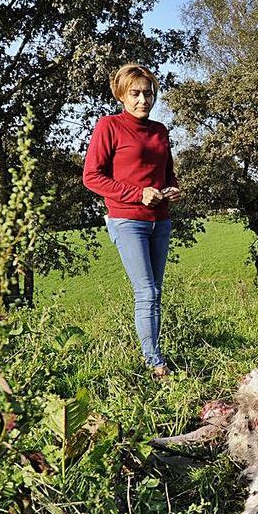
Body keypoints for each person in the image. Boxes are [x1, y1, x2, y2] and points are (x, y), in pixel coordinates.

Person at [83, 63, 182, 379]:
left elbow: (167, 174)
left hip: (160, 221)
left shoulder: (160, 131)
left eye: (148, 93)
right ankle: (154, 363)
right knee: (147, 292)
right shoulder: (108, 127)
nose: (143, 100)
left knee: (155, 291)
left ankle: (153, 354)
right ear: (122, 96)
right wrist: (138, 194)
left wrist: (172, 189)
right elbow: (92, 177)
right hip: (127, 220)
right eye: (136, 94)